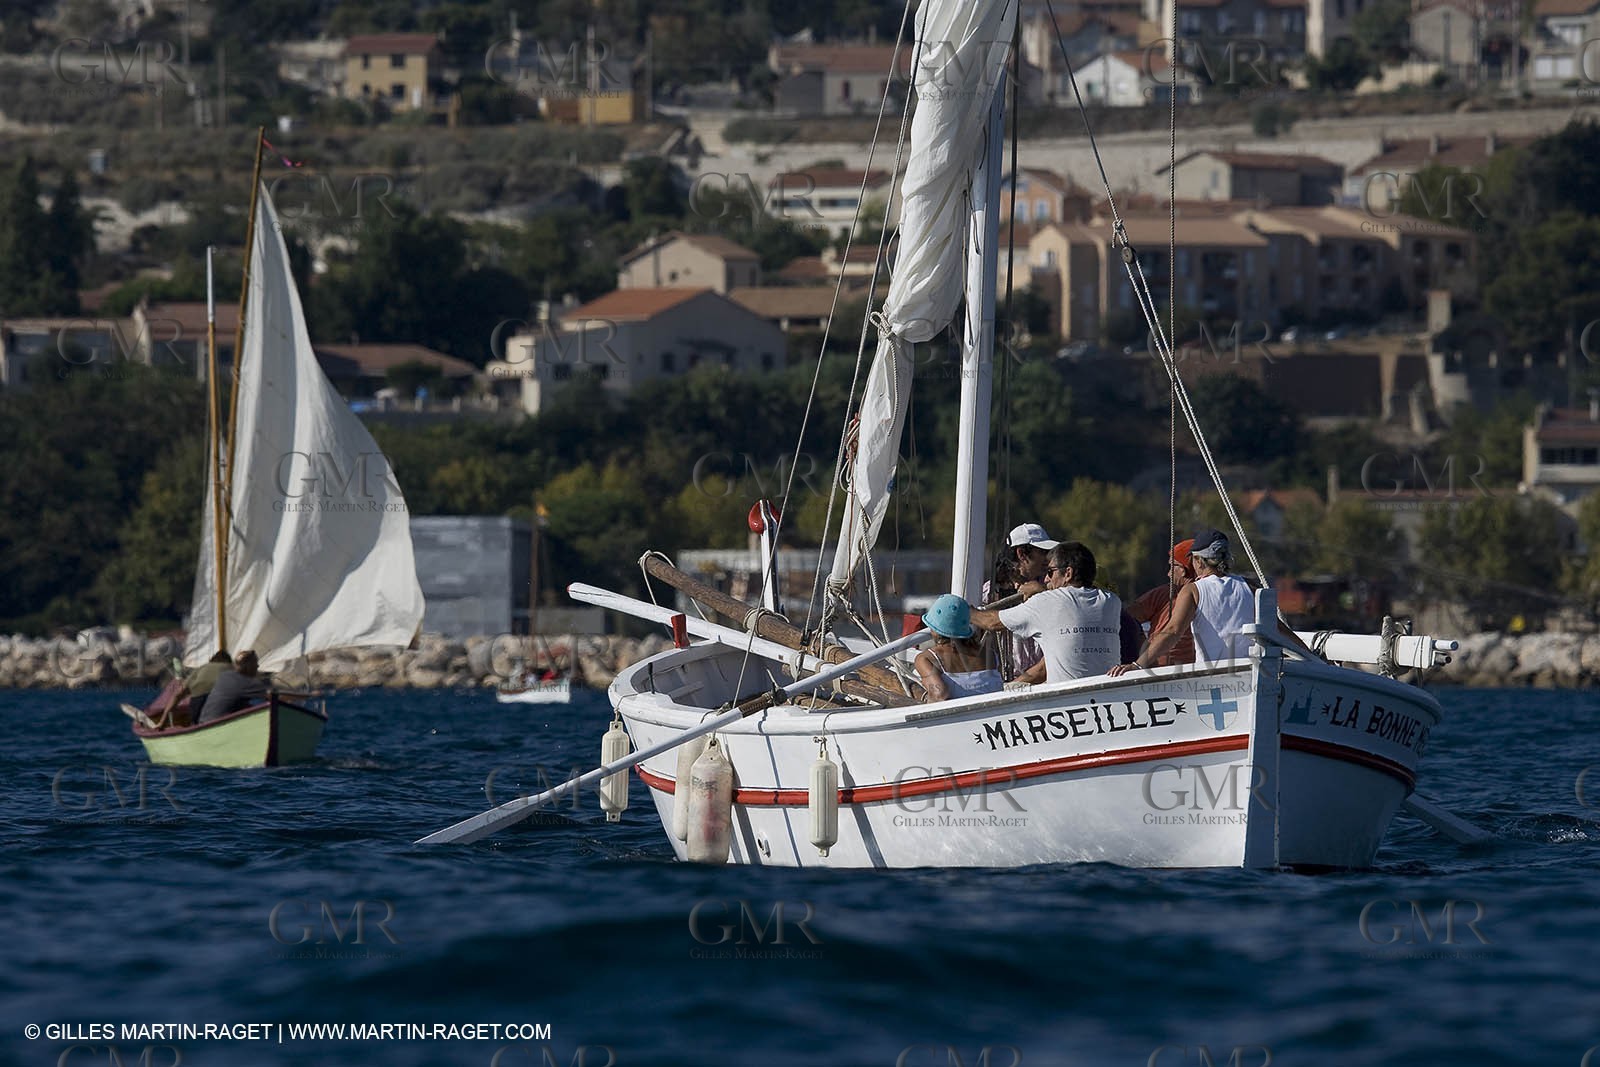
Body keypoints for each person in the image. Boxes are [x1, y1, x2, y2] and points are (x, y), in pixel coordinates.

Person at [1110, 529, 1309, 675]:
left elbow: (1172, 631)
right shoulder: (1250, 586)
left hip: (1214, 677)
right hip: (1251, 675)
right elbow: (1279, 630)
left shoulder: (1193, 591)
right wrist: (1313, 659)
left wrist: (1137, 665)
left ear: (1198, 561)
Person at [970, 541, 1123, 682]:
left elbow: (991, 622)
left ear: (1068, 573)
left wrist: (962, 610)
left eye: (1050, 572)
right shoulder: (1112, 601)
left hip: (1066, 700)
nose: (1045, 580)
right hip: (1106, 694)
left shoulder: (1047, 602)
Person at [979, 523, 1059, 681]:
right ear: (1022, 553)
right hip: (1006, 682)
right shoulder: (988, 593)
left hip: (1046, 680)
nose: (1048, 559)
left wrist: (1044, 592)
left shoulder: (1053, 588)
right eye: (1043, 552)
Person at [913, 594, 1003, 702]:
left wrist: (926, 700)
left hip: (963, 717)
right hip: (994, 714)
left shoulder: (926, 659)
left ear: (934, 629)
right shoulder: (991, 654)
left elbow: (939, 695)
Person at [1126, 540, 1198, 668]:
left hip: (1164, 671)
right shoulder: (1163, 594)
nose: (1168, 573)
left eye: (1172, 566)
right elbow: (1128, 619)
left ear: (1183, 570)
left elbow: (1126, 620)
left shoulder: (1167, 593)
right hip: (1186, 670)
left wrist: (1140, 661)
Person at [156, 649, 231, 727]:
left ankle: (195, 727)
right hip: (224, 702)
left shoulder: (201, 669)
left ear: (211, 660)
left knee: (196, 723)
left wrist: (162, 722)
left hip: (198, 701)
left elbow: (177, 695)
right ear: (228, 661)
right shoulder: (231, 667)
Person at [197, 650, 271, 723]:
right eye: (255, 662)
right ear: (248, 666)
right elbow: (270, 696)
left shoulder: (225, 675)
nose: (258, 666)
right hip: (218, 724)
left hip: (203, 721)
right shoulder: (249, 683)